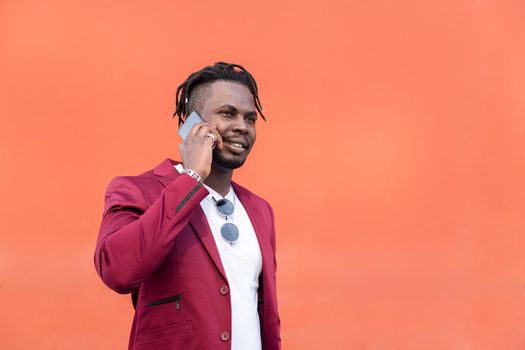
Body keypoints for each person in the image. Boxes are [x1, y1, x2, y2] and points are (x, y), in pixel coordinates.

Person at [94, 62, 281, 350]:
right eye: (227, 113)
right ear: (191, 123)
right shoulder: (137, 191)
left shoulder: (260, 210)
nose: (242, 126)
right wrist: (192, 178)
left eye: (250, 119)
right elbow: (117, 271)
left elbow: (265, 318)